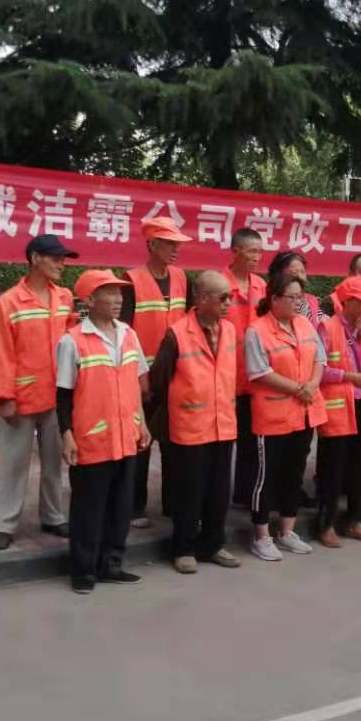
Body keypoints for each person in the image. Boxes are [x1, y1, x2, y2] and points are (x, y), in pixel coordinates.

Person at [55, 270, 148, 594]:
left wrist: (142, 423)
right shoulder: (72, 341)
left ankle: (112, 564)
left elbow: (136, 384)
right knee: (88, 509)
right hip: (92, 438)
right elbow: (63, 394)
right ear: (90, 300)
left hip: (126, 436)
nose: (118, 299)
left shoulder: (129, 334)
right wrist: (66, 434)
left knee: (120, 508)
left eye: (119, 293)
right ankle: (83, 571)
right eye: (109, 293)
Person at [0, 234, 78, 551]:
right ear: (35, 258)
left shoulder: (64, 297)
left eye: (63, 259)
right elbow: (1, 352)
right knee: (14, 464)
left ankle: (52, 516)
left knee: (54, 461)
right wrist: (4, 396)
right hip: (21, 398)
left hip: (56, 396)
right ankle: (3, 524)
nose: (62, 265)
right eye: (56, 258)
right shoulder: (8, 303)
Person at [147, 271, 243, 574]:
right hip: (189, 425)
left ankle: (213, 544)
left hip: (222, 423)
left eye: (231, 297)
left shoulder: (229, 330)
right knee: (189, 491)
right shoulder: (177, 334)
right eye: (222, 297)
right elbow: (159, 381)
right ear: (201, 299)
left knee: (219, 491)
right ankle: (184, 548)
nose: (228, 303)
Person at [245, 273, 327, 561]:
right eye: (291, 297)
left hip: (303, 414)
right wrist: (298, 389)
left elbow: (320, 357)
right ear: (274, 299)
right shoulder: (257, 330)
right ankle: (261, 536)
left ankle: (287, 531)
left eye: (299, 298)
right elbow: (259, 371)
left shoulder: (304, 324)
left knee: (294, 473)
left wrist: (313, 384)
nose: (296, 302)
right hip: (273, 416)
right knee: (266, 477)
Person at [125, 216, 195, 528]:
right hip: (143, 378)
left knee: (174, 441)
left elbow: (190, 324)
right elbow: (125, 335)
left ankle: (172, 503)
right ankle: (134, 507)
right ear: (152, 244)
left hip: (175, 375)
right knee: (140, 442)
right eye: (169, 243)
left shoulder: (181, 278)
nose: (175, 249)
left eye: (177, 244)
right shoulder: (131, 281)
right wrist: (140, 378)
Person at [315, 275, 361, 548]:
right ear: (347, 302)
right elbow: (318, 370)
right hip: (336, 408)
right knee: (332, 469)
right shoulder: (327, 327)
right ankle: (326, 525)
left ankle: (355, 520)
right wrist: (348, 376)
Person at [226, 228, 269, 510]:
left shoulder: (262, 286)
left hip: (255, 378)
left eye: (260, 251)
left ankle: (244, 494)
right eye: (252, 251)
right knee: (221, 442)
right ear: (235, 252)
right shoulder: (219, 284)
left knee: (252, 441)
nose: (257, 256)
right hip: (225, 378)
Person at [268, 250, 326, 325]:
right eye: (294, 273)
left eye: (302, 272)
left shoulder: (311, 301)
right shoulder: (272, 302)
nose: (300, 277)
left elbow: (324, 323)